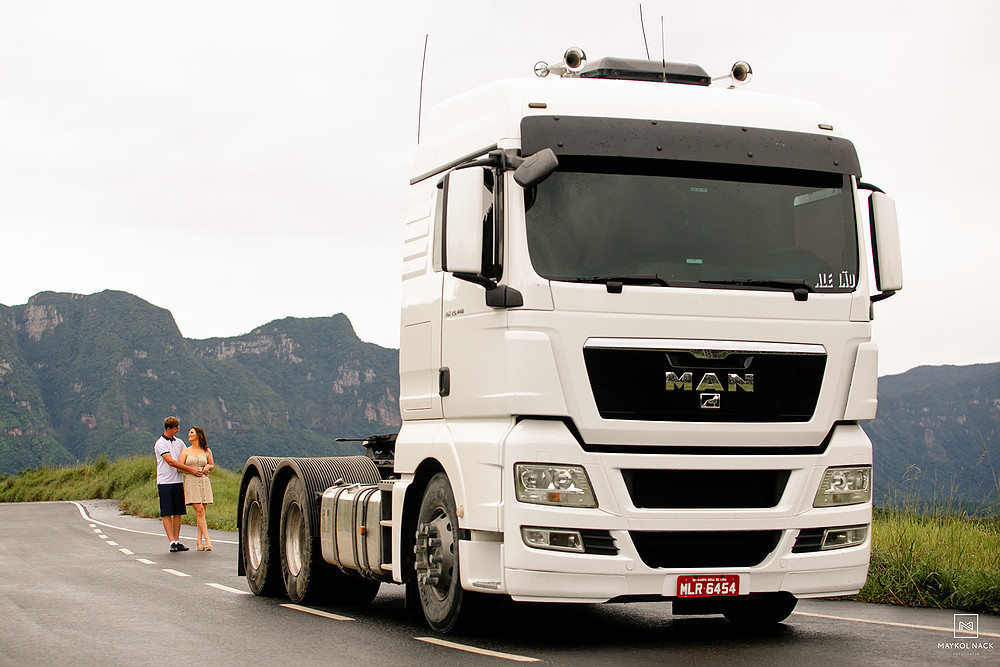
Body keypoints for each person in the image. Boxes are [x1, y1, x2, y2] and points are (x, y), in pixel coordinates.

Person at [153, 416, 204, 552]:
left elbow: (187, 455)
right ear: (168, 428)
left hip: (178, 481)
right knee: (166, 512)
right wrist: (191, 470)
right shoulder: (160, 443)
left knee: (177, 512)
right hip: (165, 481)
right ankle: (171, 541)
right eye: (175, 428)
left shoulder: (179, 442)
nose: (177, 430)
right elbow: (170, 461)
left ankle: (176, 540)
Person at [179, 426, 215, 551]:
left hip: (204, 481)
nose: (189, 434)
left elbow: (211, 464)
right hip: (191, 481)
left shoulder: (207, 451)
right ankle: (208, 539)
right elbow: (179, 468)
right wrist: (191, 470)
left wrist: (207, 467)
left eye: (192, 432)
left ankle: (199, 541)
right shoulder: (186, 451)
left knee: (202, 512)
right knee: (199, 510)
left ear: (198, 435)